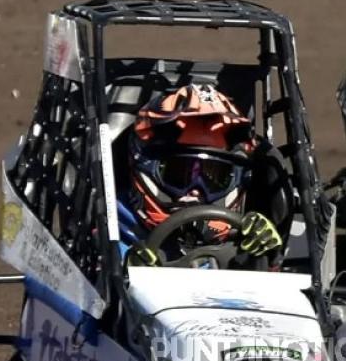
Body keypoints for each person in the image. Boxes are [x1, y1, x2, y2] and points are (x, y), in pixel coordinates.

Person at [118, 83, 286, 268]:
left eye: (212, 177)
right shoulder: (113, 224)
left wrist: (267, 259)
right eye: (179, 174)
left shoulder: (245, 236)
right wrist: (122, 273)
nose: (195, 192)